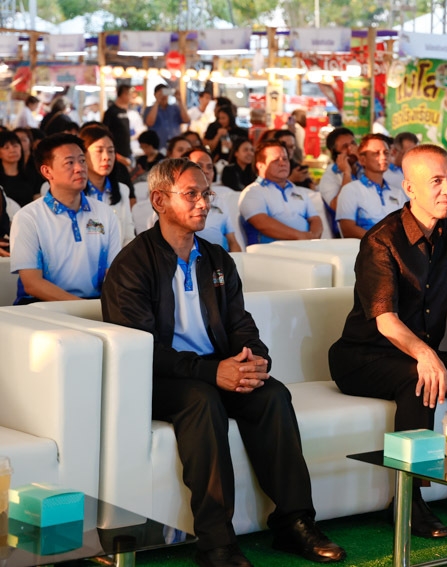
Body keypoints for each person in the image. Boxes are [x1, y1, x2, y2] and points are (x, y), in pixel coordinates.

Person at [101, 158, 345, 567]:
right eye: (191, 194)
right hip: (158, 377)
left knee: (272, 395)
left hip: (215, 370)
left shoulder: (216, 258)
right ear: (159, 201)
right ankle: (216, 543)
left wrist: (254, 359)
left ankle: (294, 522)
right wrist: (213, 372)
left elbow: (239, 324)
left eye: (206, 194)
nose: (203, 203)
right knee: (201, 400)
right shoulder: (132, 265)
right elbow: (141, 349)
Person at [328, 144, 447, 539]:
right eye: (436, 181)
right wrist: (425, 354)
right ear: (410, 188)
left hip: (418, 352)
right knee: (420, 378)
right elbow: (385, 320)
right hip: (363, 356)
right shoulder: (381, 240)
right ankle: (407, 500)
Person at [10, 134, 122, 304]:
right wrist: (82, 307)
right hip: (41, 306)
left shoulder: (105, 213)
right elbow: (32, 284)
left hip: (94, 304)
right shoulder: (28, 217)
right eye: (70, 163)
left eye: (82, 161)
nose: (80, 168)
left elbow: (113, 272)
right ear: (47, 171)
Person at [239, 140, 322, 244]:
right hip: (270, 251)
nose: (283, 163)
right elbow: (262, 224)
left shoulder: (298, 190)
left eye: (285, 159)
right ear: (260, 165)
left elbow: (315, 219)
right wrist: (301, 236)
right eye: (275, 160)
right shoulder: (252, 192)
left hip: (306, 247)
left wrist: (313, 237)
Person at [335, 134, 407, 238]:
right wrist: (381, 241)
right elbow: (347, 229)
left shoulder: (397, 193)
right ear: (362, 160)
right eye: (376, 153)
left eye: (386, 153)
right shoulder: (350, 190)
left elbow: (405, 226)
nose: (383, 157)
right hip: (364, 248)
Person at [79, 125, 135, 247]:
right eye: (99, 151)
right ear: (83, 154)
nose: (106, 157)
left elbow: (128, 237)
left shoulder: (122, 190)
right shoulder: (75, 193)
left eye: (110, 151)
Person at [188, 148, 242, 252]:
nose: (206, 171)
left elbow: (232, 241)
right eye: (199, 166)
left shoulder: (220, 202)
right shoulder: (179, 203)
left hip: (221, 259)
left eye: (210, 167)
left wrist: (237, 261)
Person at [317, 127, 361, 212]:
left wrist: (363, 161)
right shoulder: (329, 176)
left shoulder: (364, 166)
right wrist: (347, 174)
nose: (351, 149)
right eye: (345, 147)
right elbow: (337, 206)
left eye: (353, 143)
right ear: (334, 153)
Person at [144, 84, 190, 151]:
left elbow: (186, 120)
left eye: (165, 92)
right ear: (155, 95)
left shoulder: (175, 108)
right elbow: (149, 123)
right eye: (160, 93)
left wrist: (180, 100)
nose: (163, 95)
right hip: (157, 146)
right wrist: (157, 102)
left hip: (175, 146)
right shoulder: (149, 109)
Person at [0, 130, 39, 208]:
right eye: (6, 147)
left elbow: (37, 201)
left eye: (15, 146)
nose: (12, 150)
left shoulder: (31, 175)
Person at [102, 85, 134, 169]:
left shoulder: (124, 111)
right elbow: (105, 132)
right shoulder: (111, 112)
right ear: (123, 94)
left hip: (127, 151)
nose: (131, 97)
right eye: (129, 94)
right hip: (117, 153)